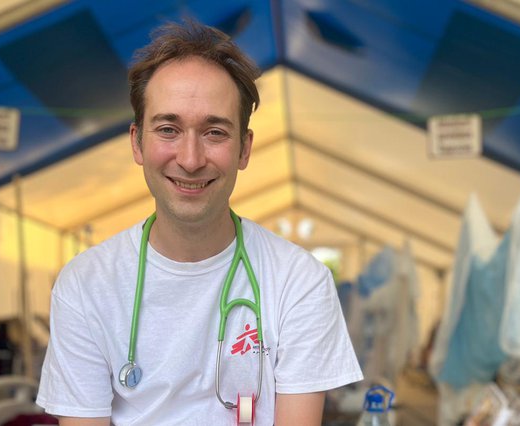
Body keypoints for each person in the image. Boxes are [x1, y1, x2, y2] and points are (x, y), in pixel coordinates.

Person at [36, 20, 362, 425]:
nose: (190, 160)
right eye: (169, 129)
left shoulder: (299, 282)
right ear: (137, 142)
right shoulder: (86, 286)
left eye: (214, 132)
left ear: (245, 148)